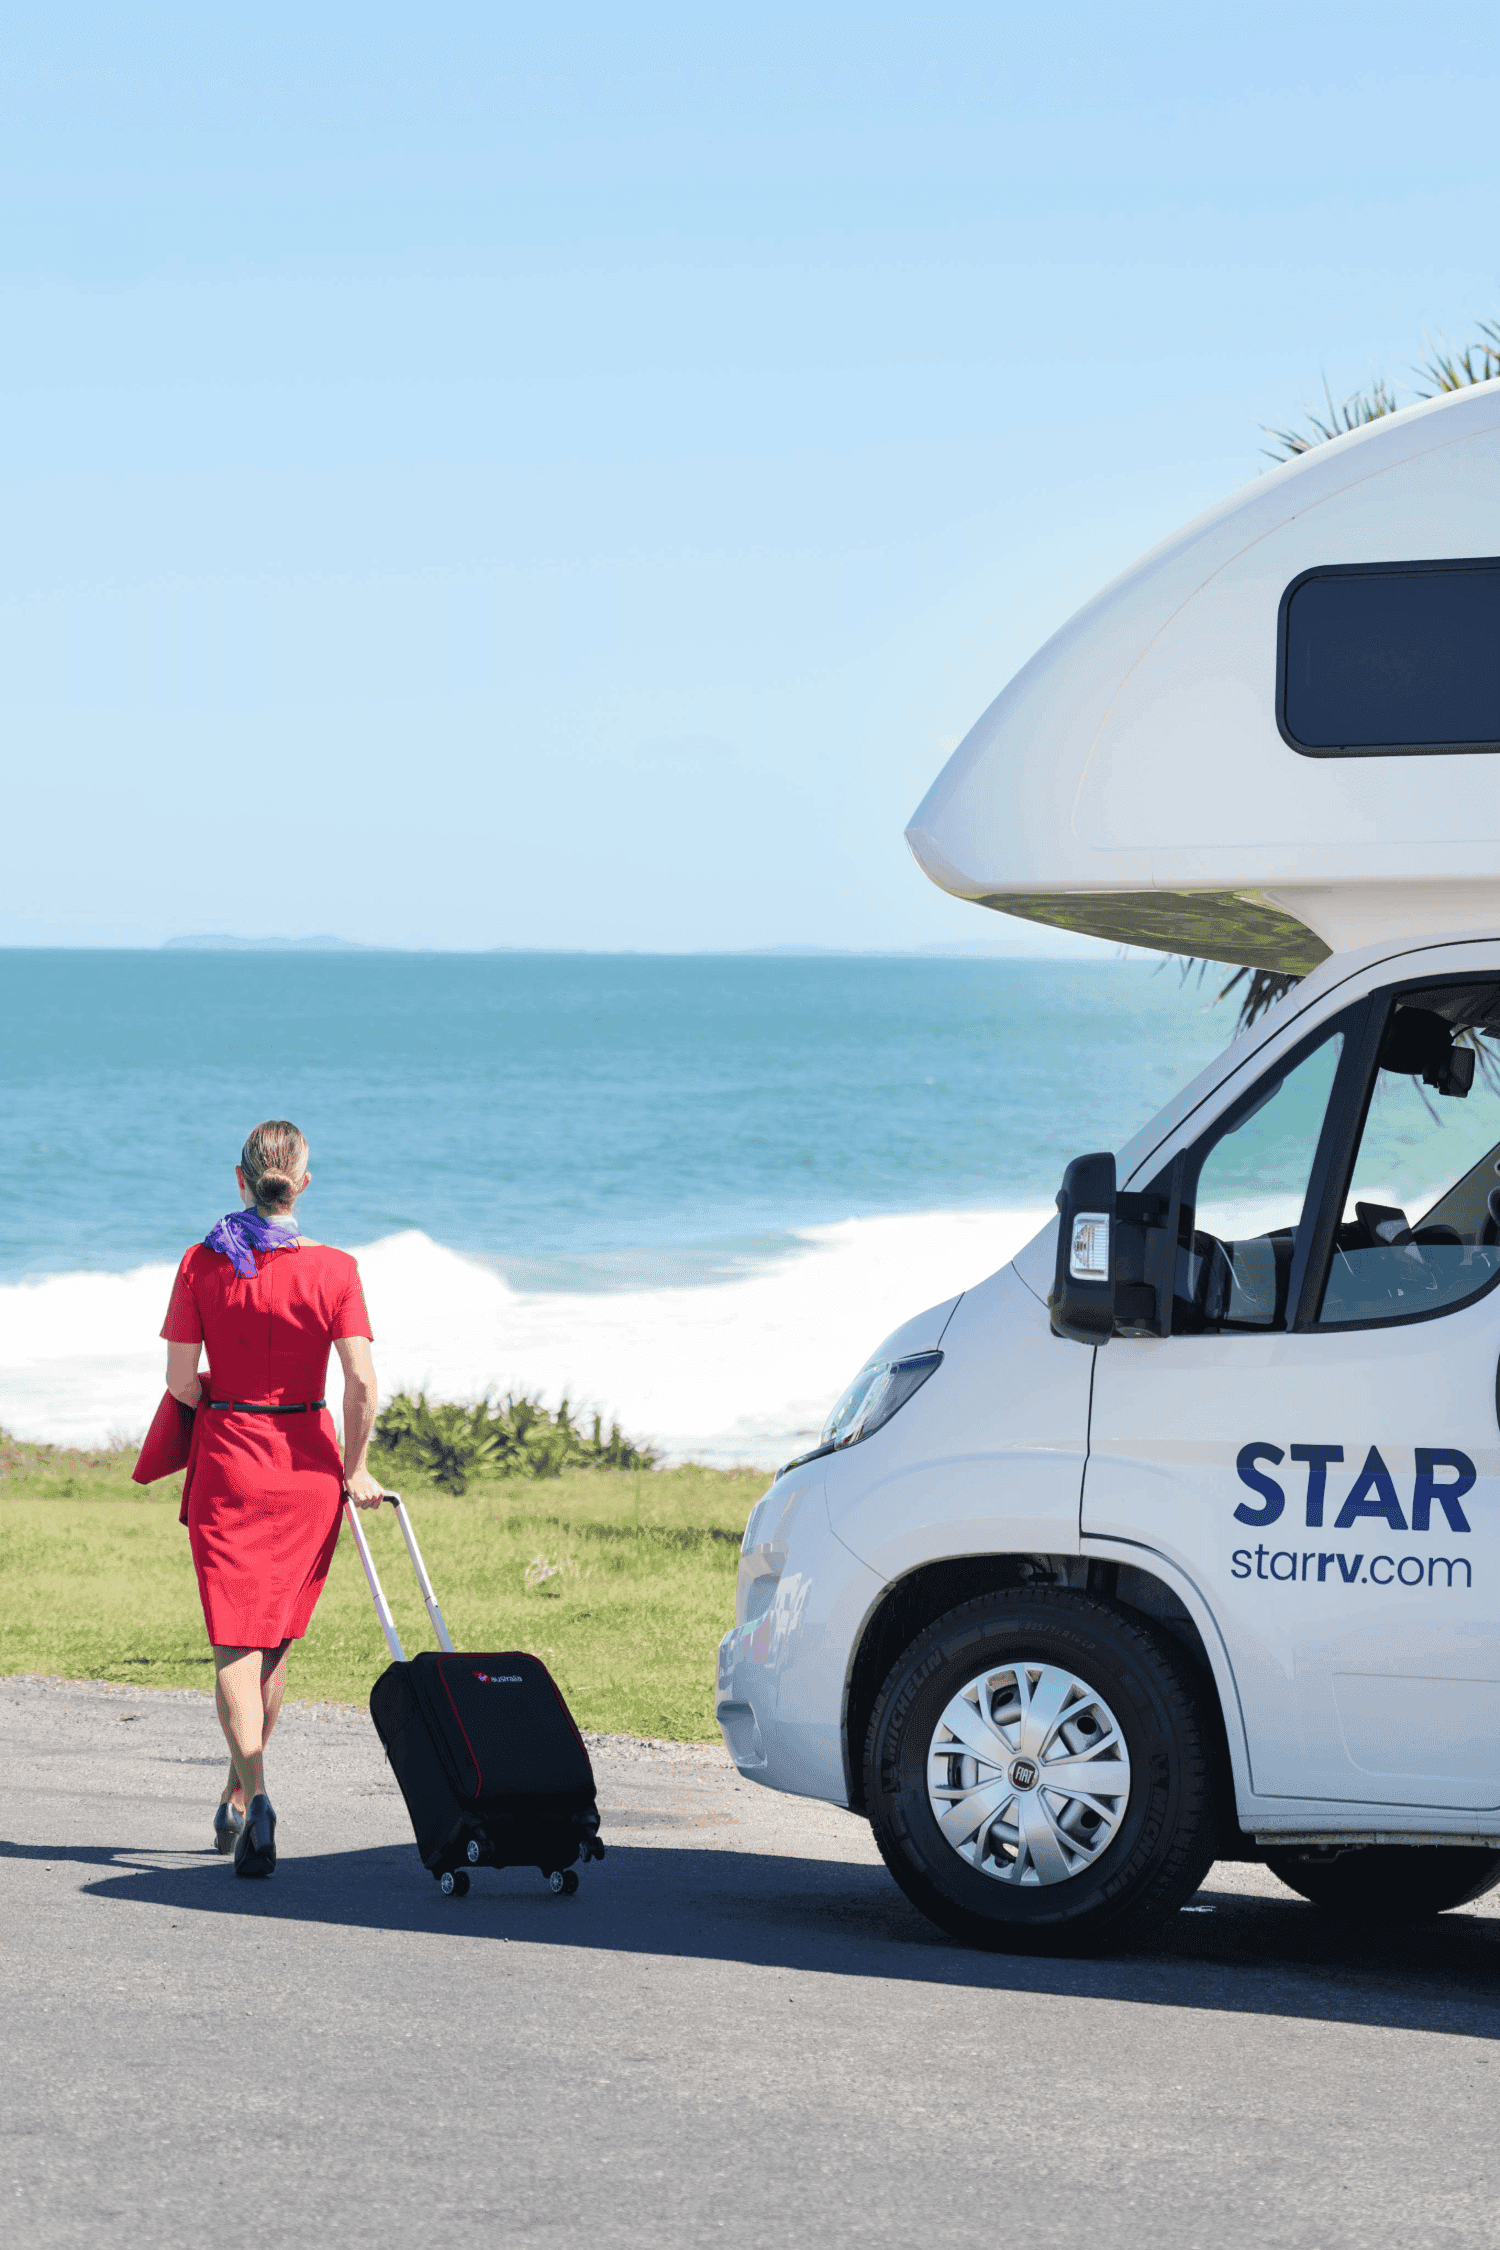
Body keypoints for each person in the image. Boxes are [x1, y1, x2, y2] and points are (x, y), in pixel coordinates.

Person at [160, 1119, 385, 1878]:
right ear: (303, 1184)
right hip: (306, 1468)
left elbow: (180, 1382)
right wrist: (356, 1467)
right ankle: (240, 1793)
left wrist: (226, 1402)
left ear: (241, 1179)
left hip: (229, 1458)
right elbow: (361, 1383)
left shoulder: (202, 1262)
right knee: (273, 1641)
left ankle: (252, 1793)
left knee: (236, 1639)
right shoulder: (337, 1269)